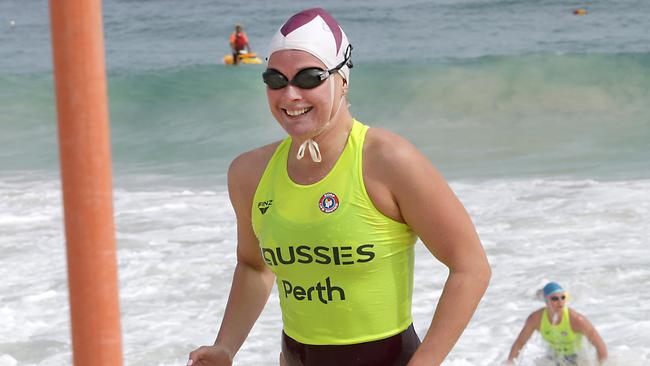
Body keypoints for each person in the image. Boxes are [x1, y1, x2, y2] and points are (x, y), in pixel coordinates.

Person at [188, 8, 490, 366]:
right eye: (275, 79)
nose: (290, 94)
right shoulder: (249, 173)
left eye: (309, 78)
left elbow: (470, 267)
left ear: (342, 79)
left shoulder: (387, 160)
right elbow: (254, 267)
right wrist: (226, 346)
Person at [507, 282, 608, 365]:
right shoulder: (536, 319)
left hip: (577, 358)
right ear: (546, 300)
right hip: (553, 357)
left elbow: (600, 346)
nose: (560, 302)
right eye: (554, 298)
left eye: (563, 297)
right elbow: (519, 344)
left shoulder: (576, 320)